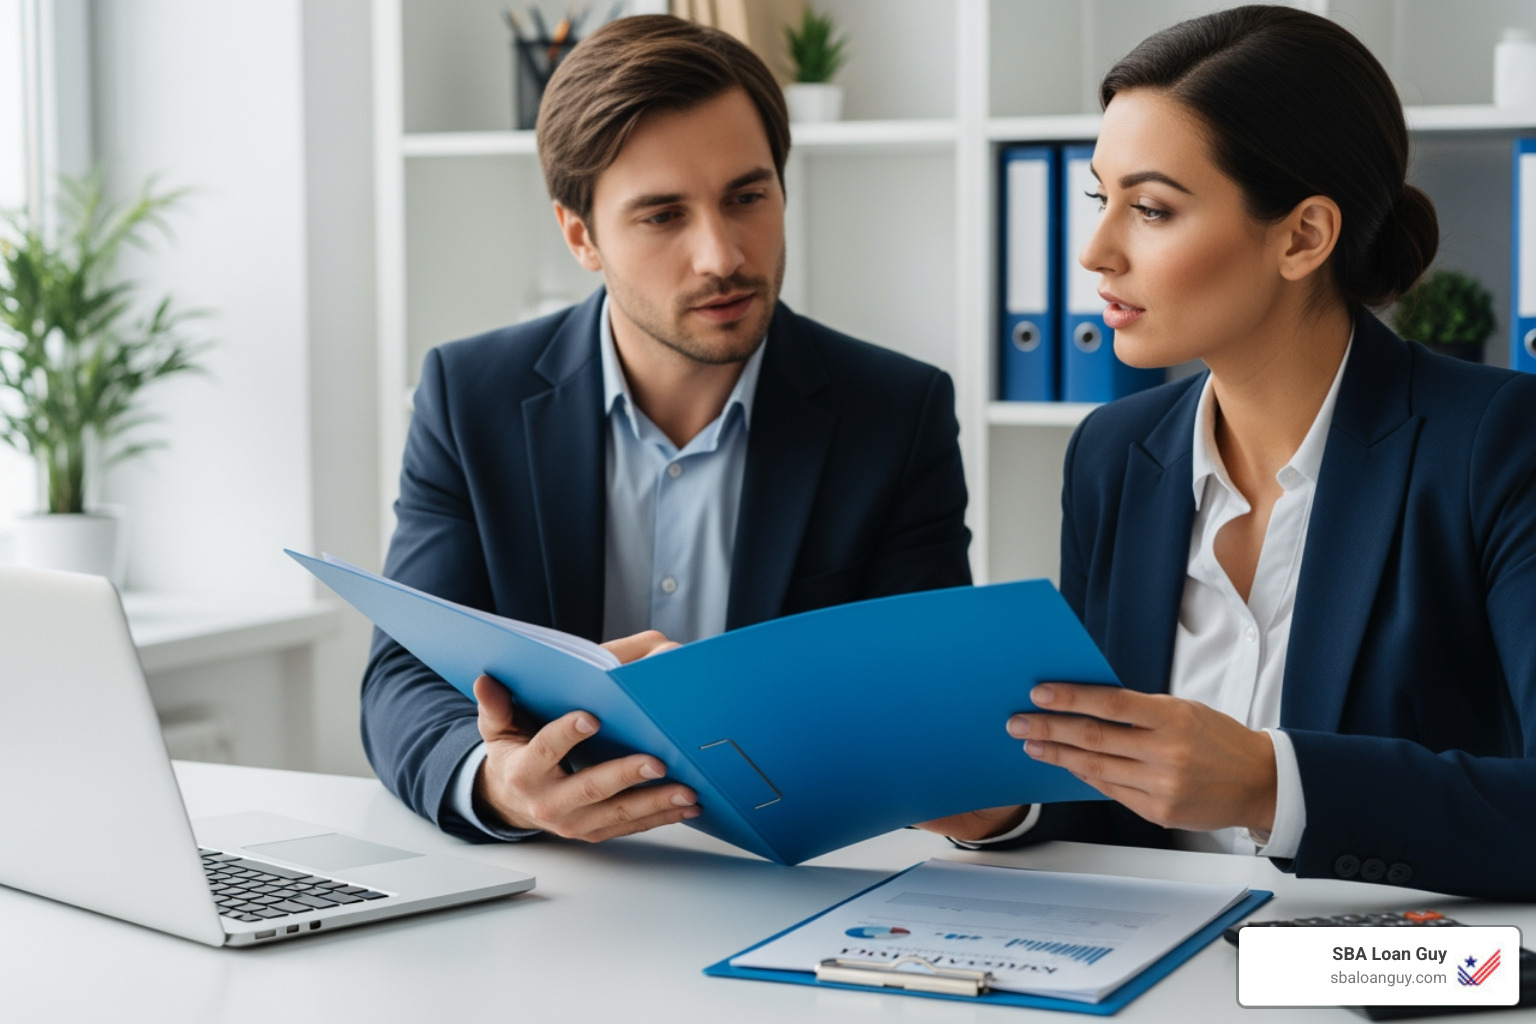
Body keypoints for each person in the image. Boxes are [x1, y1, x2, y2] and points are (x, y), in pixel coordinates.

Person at [929, 5, 1536, 900]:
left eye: (1151, 209)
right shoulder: (1114, 452)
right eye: (1101, 199)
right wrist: (1008, 811)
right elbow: (1113, 796)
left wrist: (1269, 783)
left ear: (1303, 236)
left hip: (1392, 966)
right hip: (1153, 954)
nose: (1094, 252)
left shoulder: (1498, 443)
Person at [362, 16, 972, 847]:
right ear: (581, 236)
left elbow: (930, 698)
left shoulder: (896, 412)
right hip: (559, 879)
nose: (721, 256)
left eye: (747, 198)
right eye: (662, 216)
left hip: (803, 876)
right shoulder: (471, 398)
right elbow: (403, 675)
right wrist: (499, 784)